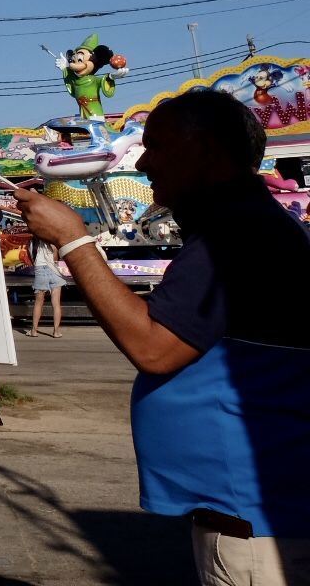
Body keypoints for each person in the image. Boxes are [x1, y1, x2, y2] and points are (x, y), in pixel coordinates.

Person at [18, 89, 310, 583]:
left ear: (207, 152)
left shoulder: (236, 233)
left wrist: (74, 239)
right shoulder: (245, 224)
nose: (145, 161)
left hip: (256, 530)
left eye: (158, 145)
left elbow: (153, 348)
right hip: (253, 516)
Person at [25, 236, 65, 339]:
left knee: (38, 303)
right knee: (56, 303)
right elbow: (55, 259)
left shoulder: (31, 242)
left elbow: (31, 259)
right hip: (54, 271)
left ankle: (34, 330)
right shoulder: (52, 240)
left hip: (40, 271)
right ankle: (56, 332)